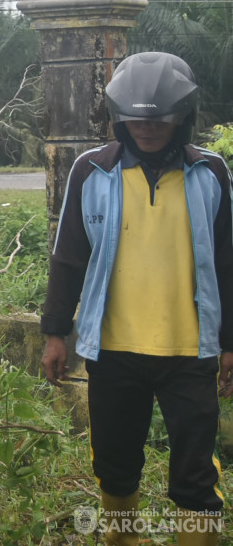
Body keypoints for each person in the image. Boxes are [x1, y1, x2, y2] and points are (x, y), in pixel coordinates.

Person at [41, 52, 233, 546]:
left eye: (160, 120)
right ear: (120, 118)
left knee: (195, 474)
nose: (147, 129)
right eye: (136, 119)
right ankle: (123, 539)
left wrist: (229, 341)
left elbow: (228, 262)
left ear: (183, 118)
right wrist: (54, 333)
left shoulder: (211, 174)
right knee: (115, 464)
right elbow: (68, 258)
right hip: (115, 348)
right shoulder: (92, 171)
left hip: (190, 351)